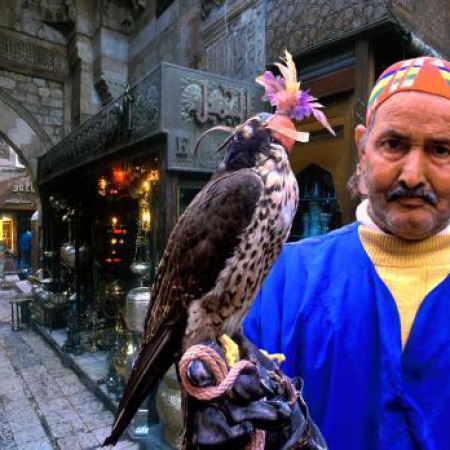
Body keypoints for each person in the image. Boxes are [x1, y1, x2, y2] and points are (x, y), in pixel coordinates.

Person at [190, 56, 450, 449]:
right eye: (394, 144)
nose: (412, 174)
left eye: (441, 149)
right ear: (363, 150)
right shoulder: (280, 280)